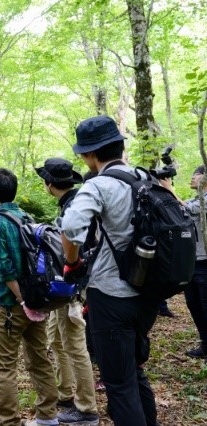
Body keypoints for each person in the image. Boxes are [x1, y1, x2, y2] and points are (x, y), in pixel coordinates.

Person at [60, 116, 159, 426]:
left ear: (91, 155)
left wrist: (72, 262)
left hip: (112, 296)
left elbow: (72, 227)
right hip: (148, 293)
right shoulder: (145, 177)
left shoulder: (99, 184)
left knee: (119, 383)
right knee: (133, 370)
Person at [0, 168, 58, 426]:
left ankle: (9, 421)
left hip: (10, 304)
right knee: (40, 360)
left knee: (5, 367)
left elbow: (4, 268)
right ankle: (48, 416)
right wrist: (32, 302)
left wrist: (21, 300)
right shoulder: (26, 217)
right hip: (37, 302)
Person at [35, 158, 100, 425]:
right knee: (58, 340)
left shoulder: (75, 205)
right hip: (67, 283)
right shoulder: (73, 202)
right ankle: (65, 392)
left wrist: (73, 277)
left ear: (50, 184)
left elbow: (76, 247)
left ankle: (87, 409)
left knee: (74, 345)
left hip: (74, 284)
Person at [161, 165, 207, 357]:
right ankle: (206, 344)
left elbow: (190, 209)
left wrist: (170, 190)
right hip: (193, 263)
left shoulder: (203, 201)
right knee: (194, 304)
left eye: (195, 175)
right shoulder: (195, 199)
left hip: (205, 262)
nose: (191, 178)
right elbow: (179, 209)